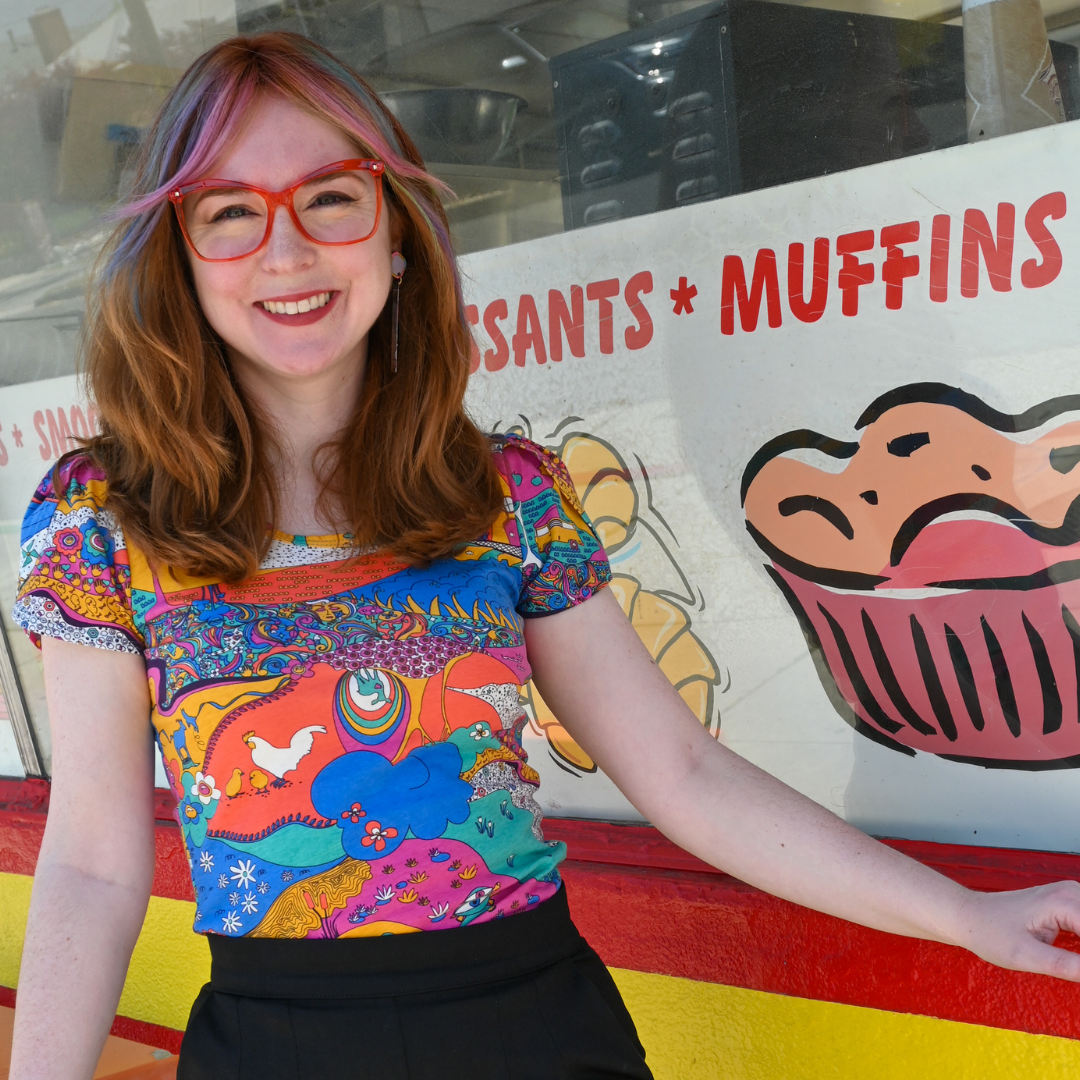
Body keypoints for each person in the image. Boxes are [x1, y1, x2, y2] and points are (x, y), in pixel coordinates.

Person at [8, 32, 1080, 1080]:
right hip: (272, 1042)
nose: (286, 252)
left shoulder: (504, 495)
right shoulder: (100, 523)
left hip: (536, 1030)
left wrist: (963, 915)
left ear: (394, 228)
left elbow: (684, 771)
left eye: (331, 195)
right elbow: (96, 866)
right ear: (179, 256)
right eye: (230, 213)